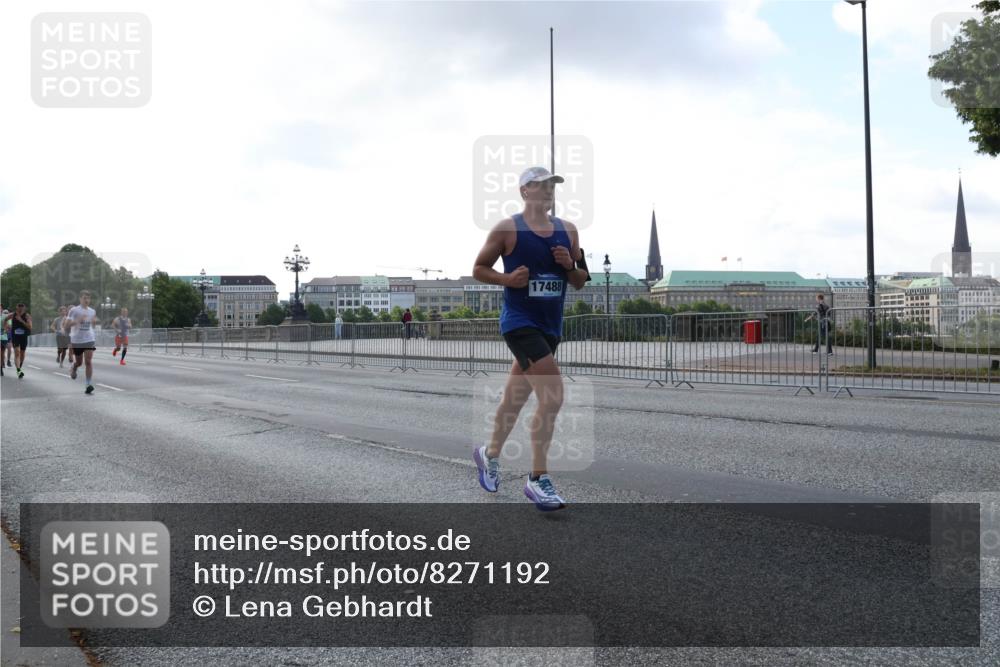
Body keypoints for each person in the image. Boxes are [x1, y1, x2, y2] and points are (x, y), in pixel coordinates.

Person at [471, 166, 589, 511]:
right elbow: (479, 268)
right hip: (519, 323)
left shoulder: (568, 230)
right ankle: (538, 479)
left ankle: (489, 453)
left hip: (550, 327)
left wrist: (569, 266)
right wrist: (508, 280)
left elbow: (581, 281)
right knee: (553, 396)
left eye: (552, 185)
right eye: (541, 185)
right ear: (524, 191)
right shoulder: (508, 229)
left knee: (514, 400)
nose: (549, 190)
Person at [66, 290, 98, 394]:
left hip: (89, 339)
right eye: (84, 298)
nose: (86, 300)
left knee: (88, 361)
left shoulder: (92, 311)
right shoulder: (74, 310)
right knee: (79, 362)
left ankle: (88, 384)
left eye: (88, 298)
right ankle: (74, 367)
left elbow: (92, 325)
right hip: (77, 340)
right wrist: (77, 321)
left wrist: (94, 323)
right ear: (80, 299)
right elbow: (66, 325)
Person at [10, 303, 32, 379]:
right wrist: (5, 326)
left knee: (22, 353)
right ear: (17, 307)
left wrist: (21, 320)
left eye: (22, 307)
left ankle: (19, 367)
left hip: (23, 336)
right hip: (15, 336)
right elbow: (5, 319)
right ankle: (18, 370)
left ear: (24, 308)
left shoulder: (27, 316)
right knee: (17, 352)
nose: (20, 308)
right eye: (19, 307)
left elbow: (30, 327)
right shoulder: (13, 315)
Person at [0, 305, 10, 377]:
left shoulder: (5, 317)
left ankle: (1, 367)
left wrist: (5, 329)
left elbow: (9, 326)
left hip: (3, 338)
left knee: (2, 353)